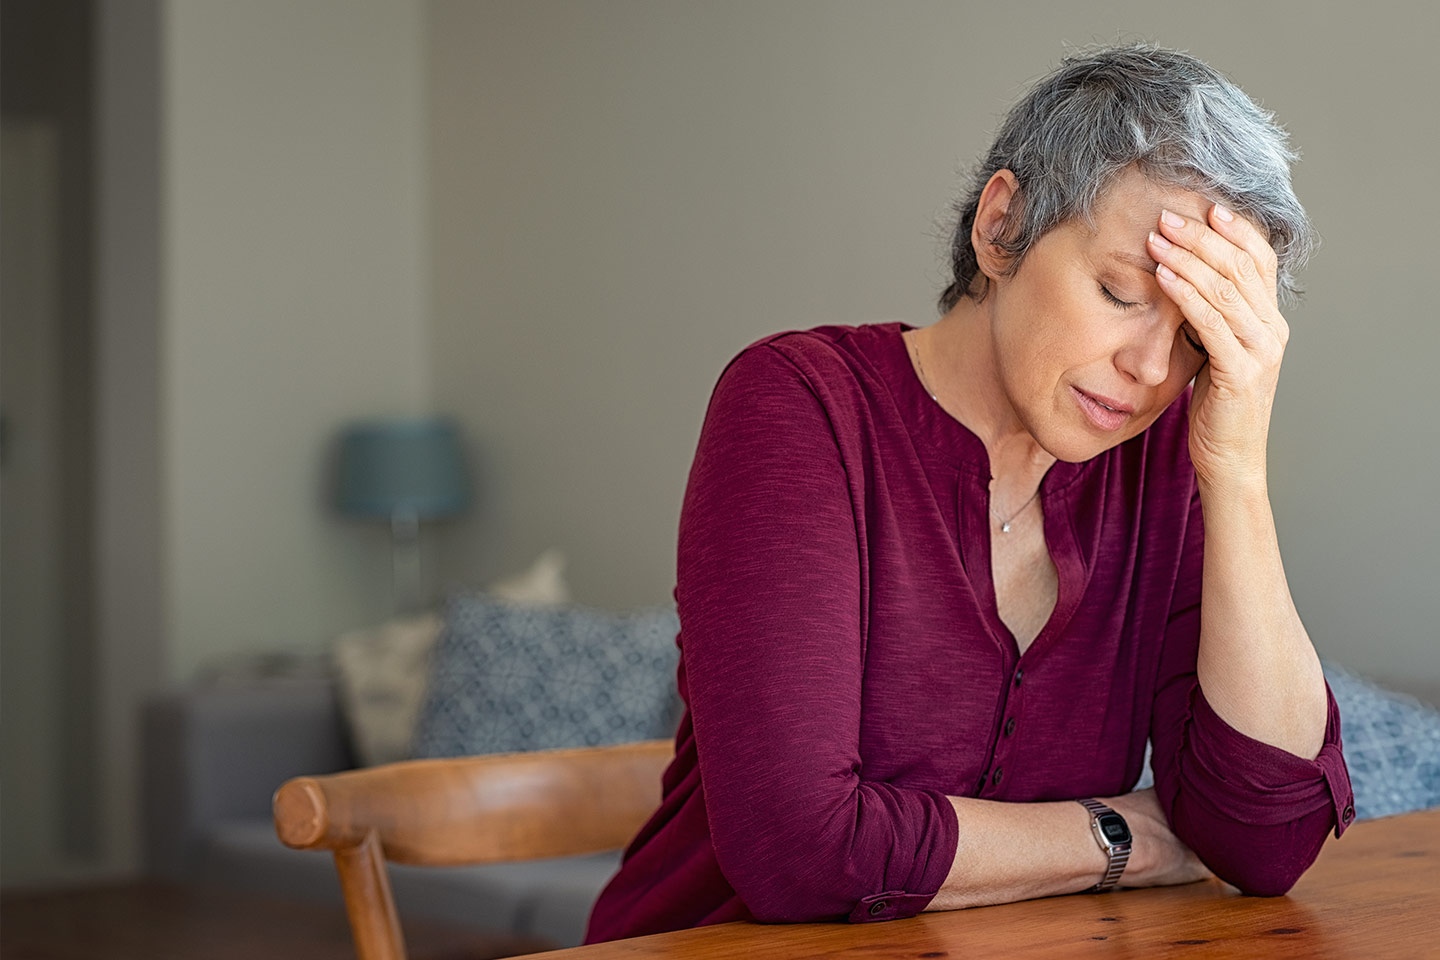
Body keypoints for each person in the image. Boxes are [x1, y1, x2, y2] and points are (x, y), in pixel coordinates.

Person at [585, 42, 1353, 942]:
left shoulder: (1166, 462)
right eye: (1119, 291)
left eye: (1198, 340)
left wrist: (1238, 477)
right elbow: (799, 848)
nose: (1151, 369)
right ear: (1002, 228)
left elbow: (1265, 846)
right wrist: (1129, 836)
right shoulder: (799, 406)